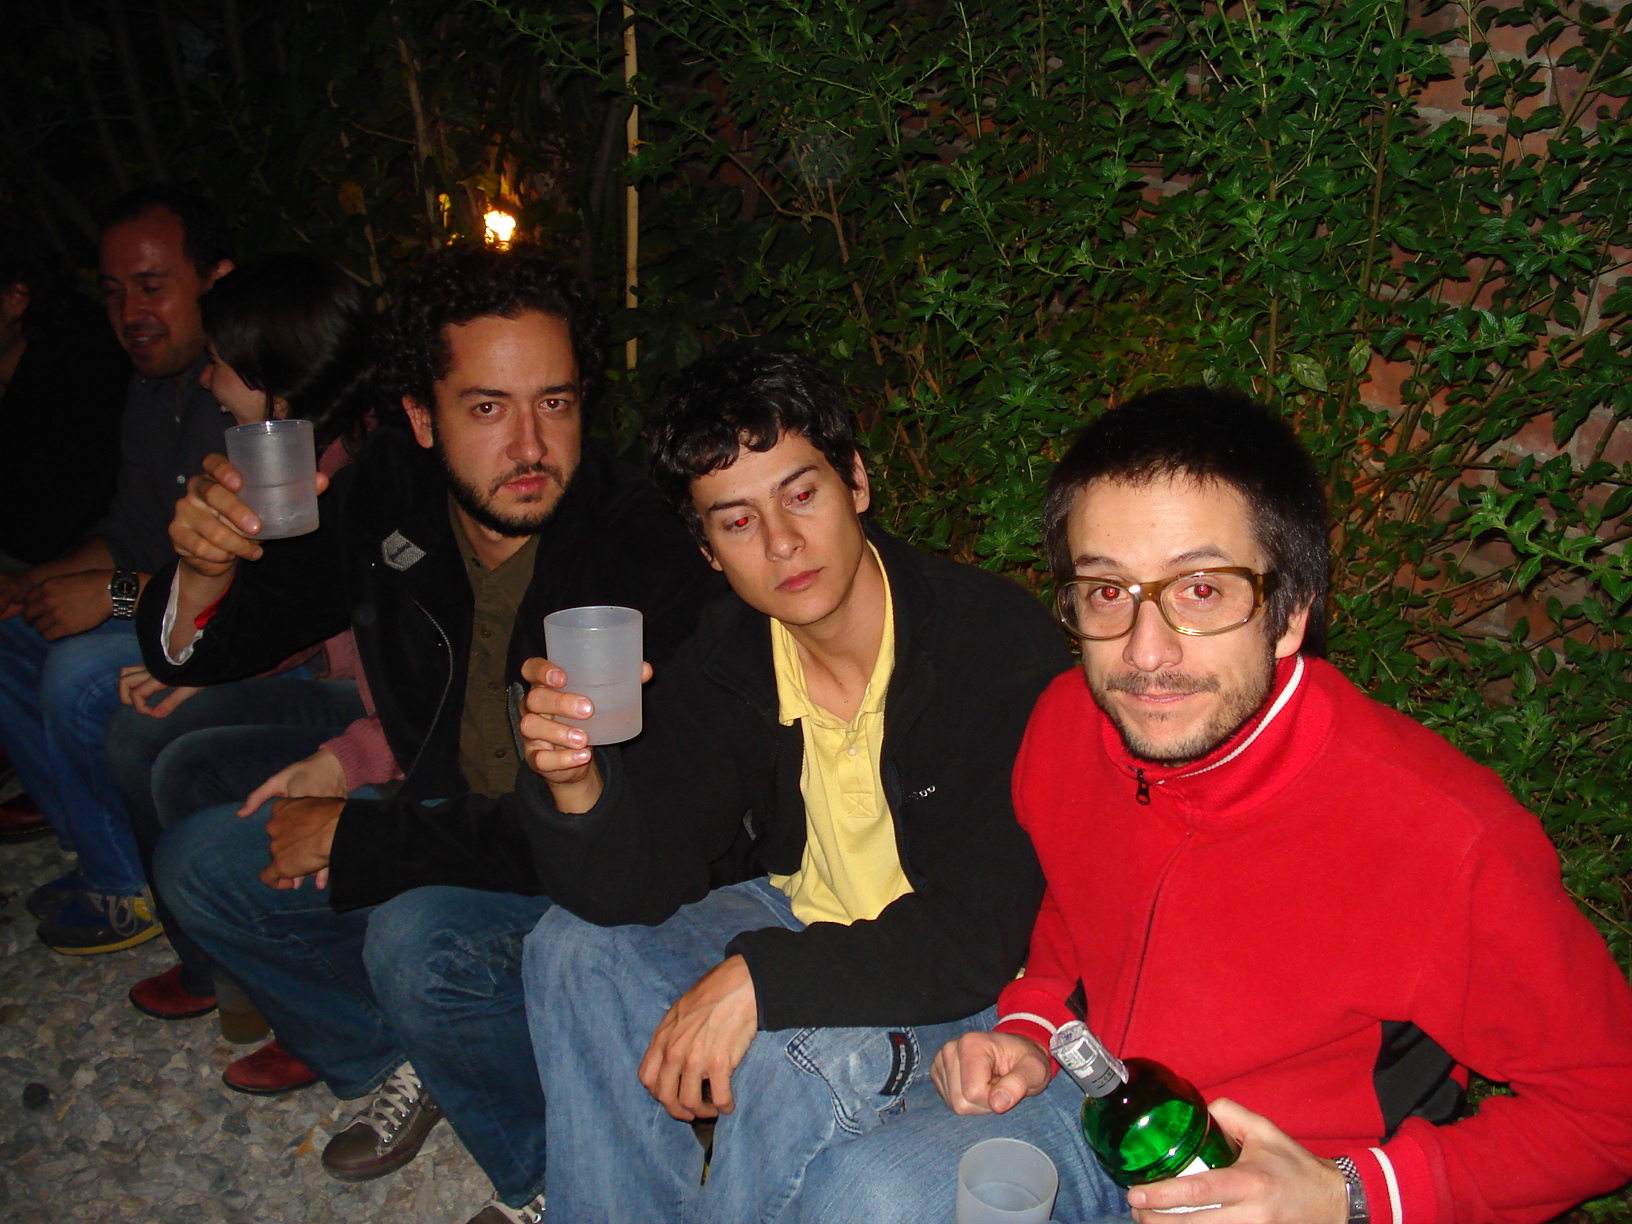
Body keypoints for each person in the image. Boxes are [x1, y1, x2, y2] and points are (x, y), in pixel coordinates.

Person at [791, 387, 1632, 1224]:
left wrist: (1350, 1192)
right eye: (1107, 592)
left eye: (1200, 590)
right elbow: (1071, 917)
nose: (1145, 656)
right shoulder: (1063, 728)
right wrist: (1035, 1028)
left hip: (1298, 1169)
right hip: (1105, 1110)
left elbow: (1610, 1109)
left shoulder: (1448, 840)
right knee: (864, 1195)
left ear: (1294, 609)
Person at [144, 245, 721, 1224]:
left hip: (589, 878)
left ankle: (553, 1177)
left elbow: (607, 838)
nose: (532, 444)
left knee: (420, 939)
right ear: (421, 417)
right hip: (440, 813)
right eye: (488, 407)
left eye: (557, 401)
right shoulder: (389, 495)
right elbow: (237, 629)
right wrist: (201, 574)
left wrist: (359, 835)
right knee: (200, 857)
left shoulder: (639, 549)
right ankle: (406, 1053)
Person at [512, 347, 1072, 1223]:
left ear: (856, 481)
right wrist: (577, 785)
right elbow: (631, 888)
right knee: (571, 953)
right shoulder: (731, 656)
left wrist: (756, 984)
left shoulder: (990, 646)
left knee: (786, 1051)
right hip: (801, 918)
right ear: (707, 551)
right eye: (735, 522)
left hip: (966, 982)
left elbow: (982, 933)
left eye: (800, 494)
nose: (780, 544)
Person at [99, 253, 379, 1045]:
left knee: (132, 712)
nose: (206, 382)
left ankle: (270, 975)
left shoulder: (354, 465)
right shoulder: (191, 424)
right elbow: (282, 607)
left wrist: (131, 600)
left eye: (220, 366)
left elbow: (309, 601)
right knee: (134, 708)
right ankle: (231, 970)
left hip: (360, 701)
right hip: (292, 661)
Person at [0, 185, 233, 945]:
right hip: (164, 602)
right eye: (114, 290)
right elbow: (131, 530)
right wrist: (38, 583)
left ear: (215, 282)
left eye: (152, 286)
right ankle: (95, 845)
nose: (131, 312)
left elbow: (247, 596)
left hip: (237, 632)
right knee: (12, 621)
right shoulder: (150, 387)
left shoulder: (247, 395)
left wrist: (112, 597)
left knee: (77, 670)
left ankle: (125, 888)